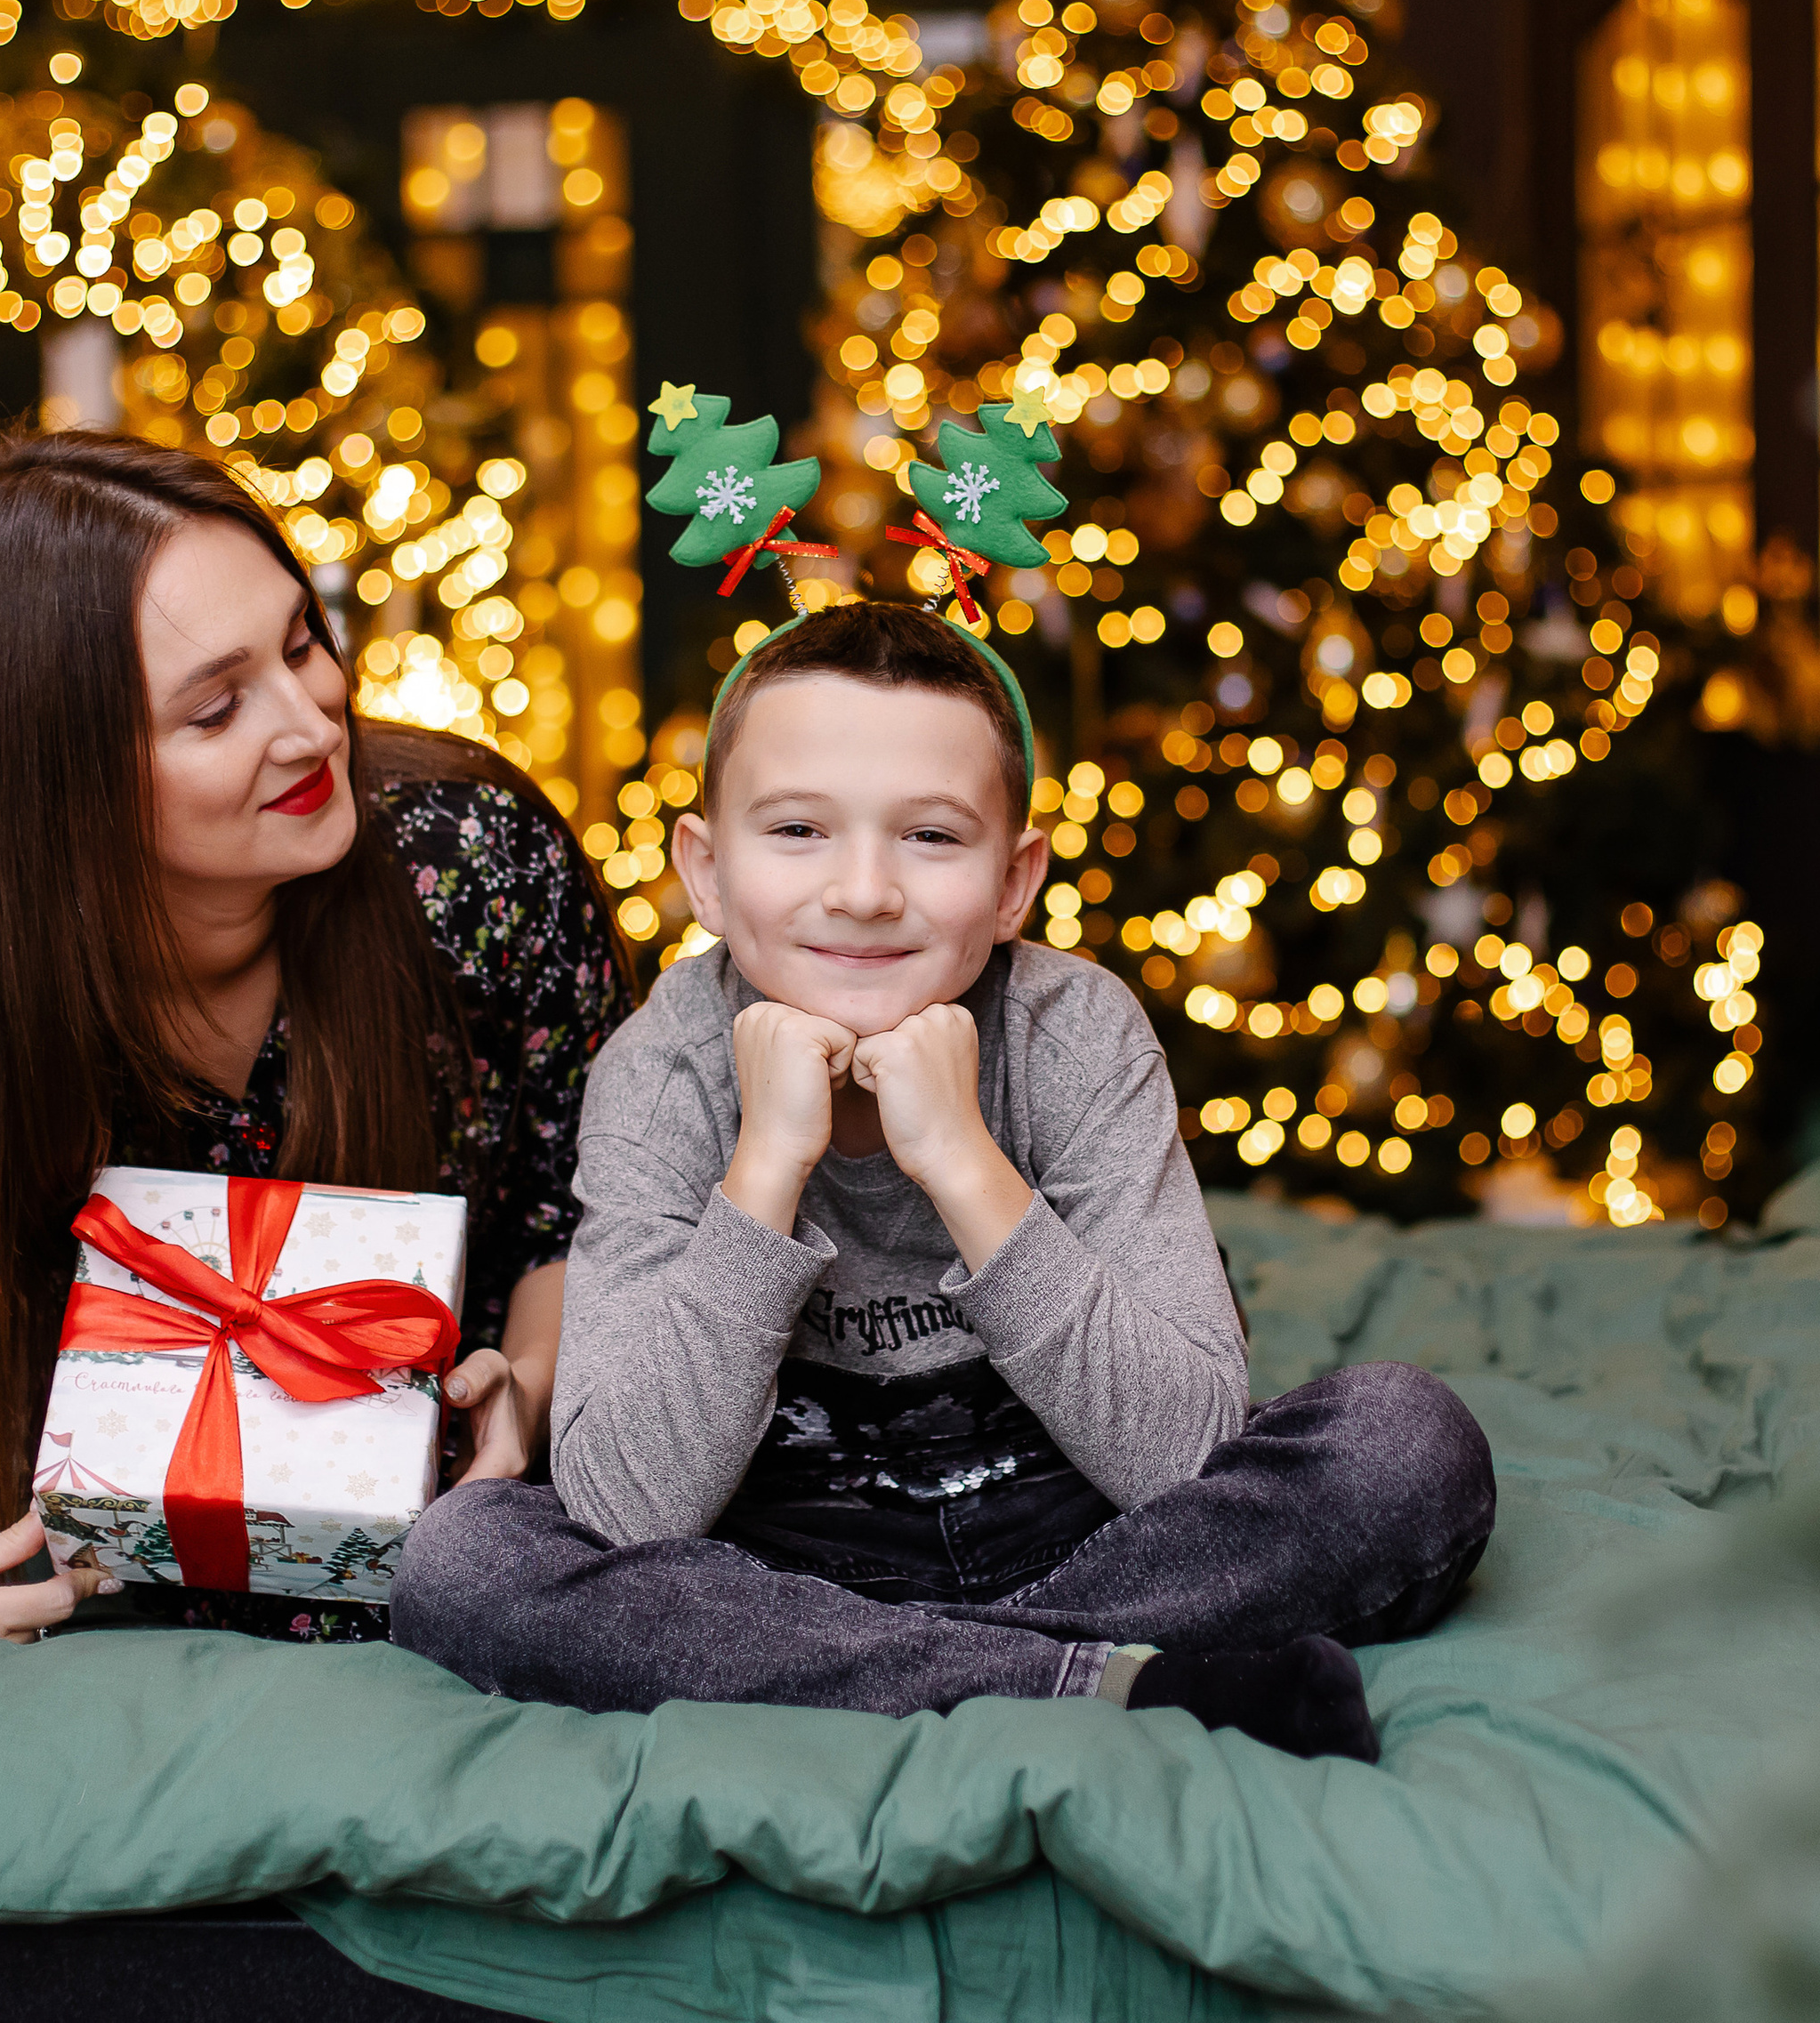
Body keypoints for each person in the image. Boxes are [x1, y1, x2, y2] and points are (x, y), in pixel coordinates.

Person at [395, 602, 1493, 1760]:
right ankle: (1089, 1681)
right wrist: (765, 1168)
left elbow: (1186, 1457)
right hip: (772, 1552)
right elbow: (626, 1507)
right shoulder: (663, 1073)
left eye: (930, 837)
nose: (864, 891)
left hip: (1076, 1526)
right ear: (705, 874)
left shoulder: (1075, 1036)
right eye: (799, 831)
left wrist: (964, 1160)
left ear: (1016, 882)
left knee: (1405, 1440)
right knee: (467, 1560)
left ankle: (927, 1678)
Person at [0, 431, 632, 1653]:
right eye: (216, 708)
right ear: (57, 786)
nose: (314, 724)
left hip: (460, 1594)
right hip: (94, 1661)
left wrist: (529, 1390)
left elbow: (593, 1204)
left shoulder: (474, 861)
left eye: (301, 644)